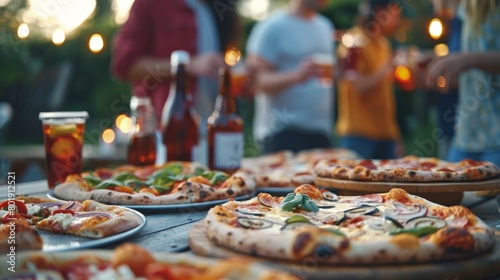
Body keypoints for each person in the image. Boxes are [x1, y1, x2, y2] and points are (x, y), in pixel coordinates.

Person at [111, 0, 240, 123]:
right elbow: (125, 65)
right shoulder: (153, 3)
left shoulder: (219, 8)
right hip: (168, 133)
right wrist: (187, 66)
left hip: (217, 129)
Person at [246, 0, 335, 154]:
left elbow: (328, 75)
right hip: (282, 134)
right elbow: (254, 81)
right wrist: (296, 75)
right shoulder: (272, 27)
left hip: (321, 132)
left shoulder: (325, 26)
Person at [425, 0, 500, 166]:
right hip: (465, 136)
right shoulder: (466, 10)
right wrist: (440, 71)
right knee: (445, 189)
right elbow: (477, 79)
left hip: (496, 140)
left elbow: (470, 60)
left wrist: (467, 60)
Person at [335, 0, 402, 159]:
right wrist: (386, 68)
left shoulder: (383, 43)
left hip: (386, 135)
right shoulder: (353, 41)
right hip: (359, 134)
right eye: (395, 15)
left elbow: (386, 95)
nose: (397, 21)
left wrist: (395, 135)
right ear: (381, 13)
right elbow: (358, 86)